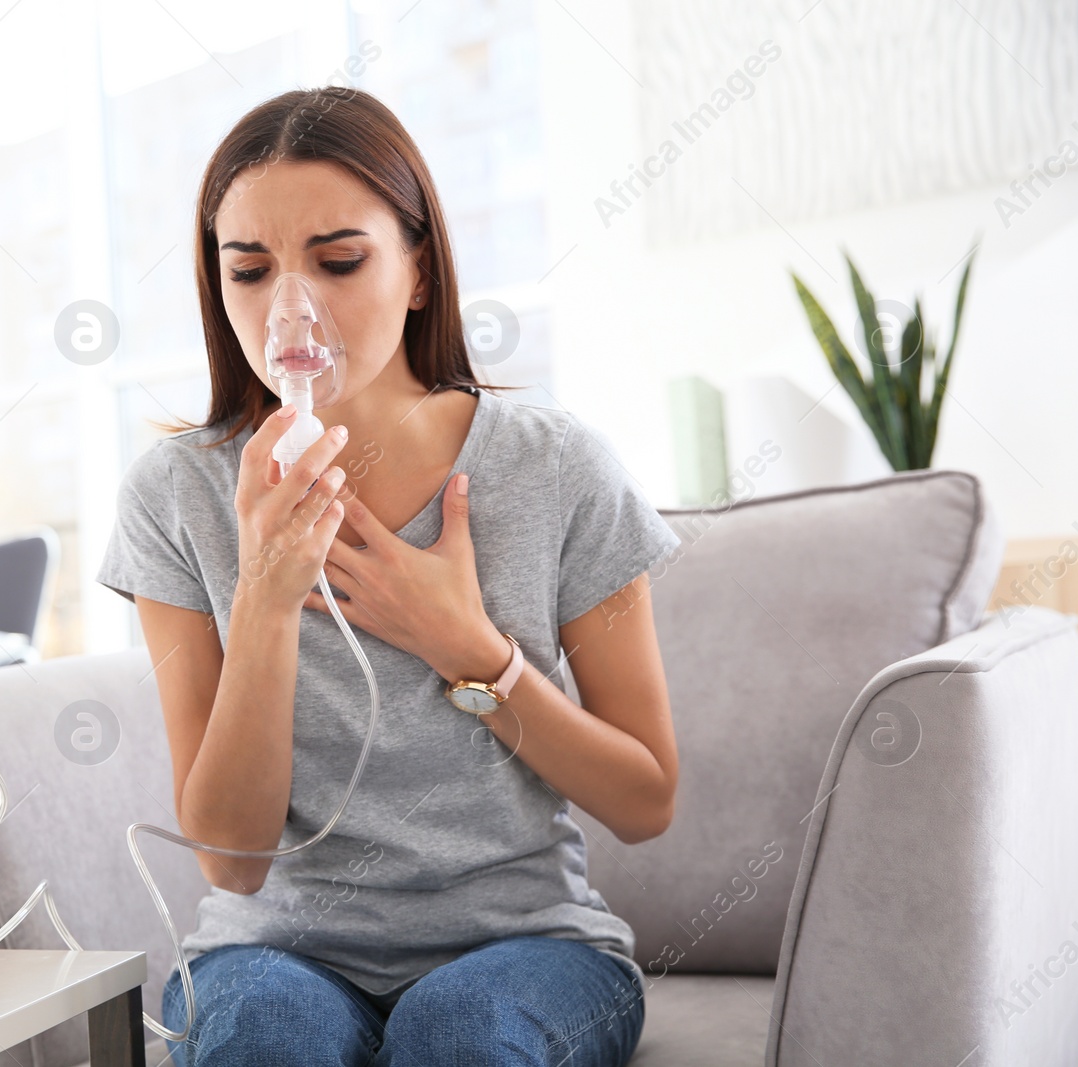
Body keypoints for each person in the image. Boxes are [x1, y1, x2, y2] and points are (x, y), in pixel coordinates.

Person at [96, 86, 680, 1067]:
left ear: (416, 267)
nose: (291, 310)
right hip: (272, 951)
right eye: (248, 270)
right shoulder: (175, 492)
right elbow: (231, 859)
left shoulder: (555, 465)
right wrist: (266, 596)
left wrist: (467, 647)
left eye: (337, 261)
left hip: (530, 946)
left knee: (459, 1033)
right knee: (262, 1039)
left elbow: (644, 799)